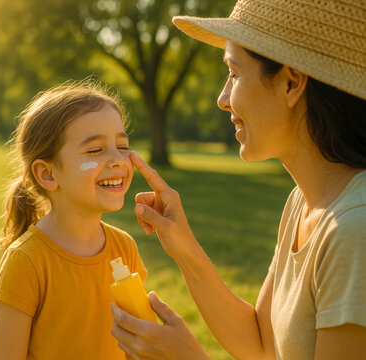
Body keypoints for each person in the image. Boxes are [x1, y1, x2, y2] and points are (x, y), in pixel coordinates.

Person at [110, 0, 366, 359]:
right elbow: (261, 340)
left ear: (291, 83)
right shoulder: (303, 202)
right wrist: (181, 244)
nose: (222, 99)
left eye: (233, 72)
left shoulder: (355, 231)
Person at [0, 80, 148, 360]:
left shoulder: (125, 248)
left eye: (122, 146)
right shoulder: (26, 261)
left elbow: (137, 347)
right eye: (95, 150)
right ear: (48, 174)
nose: (117, 160)